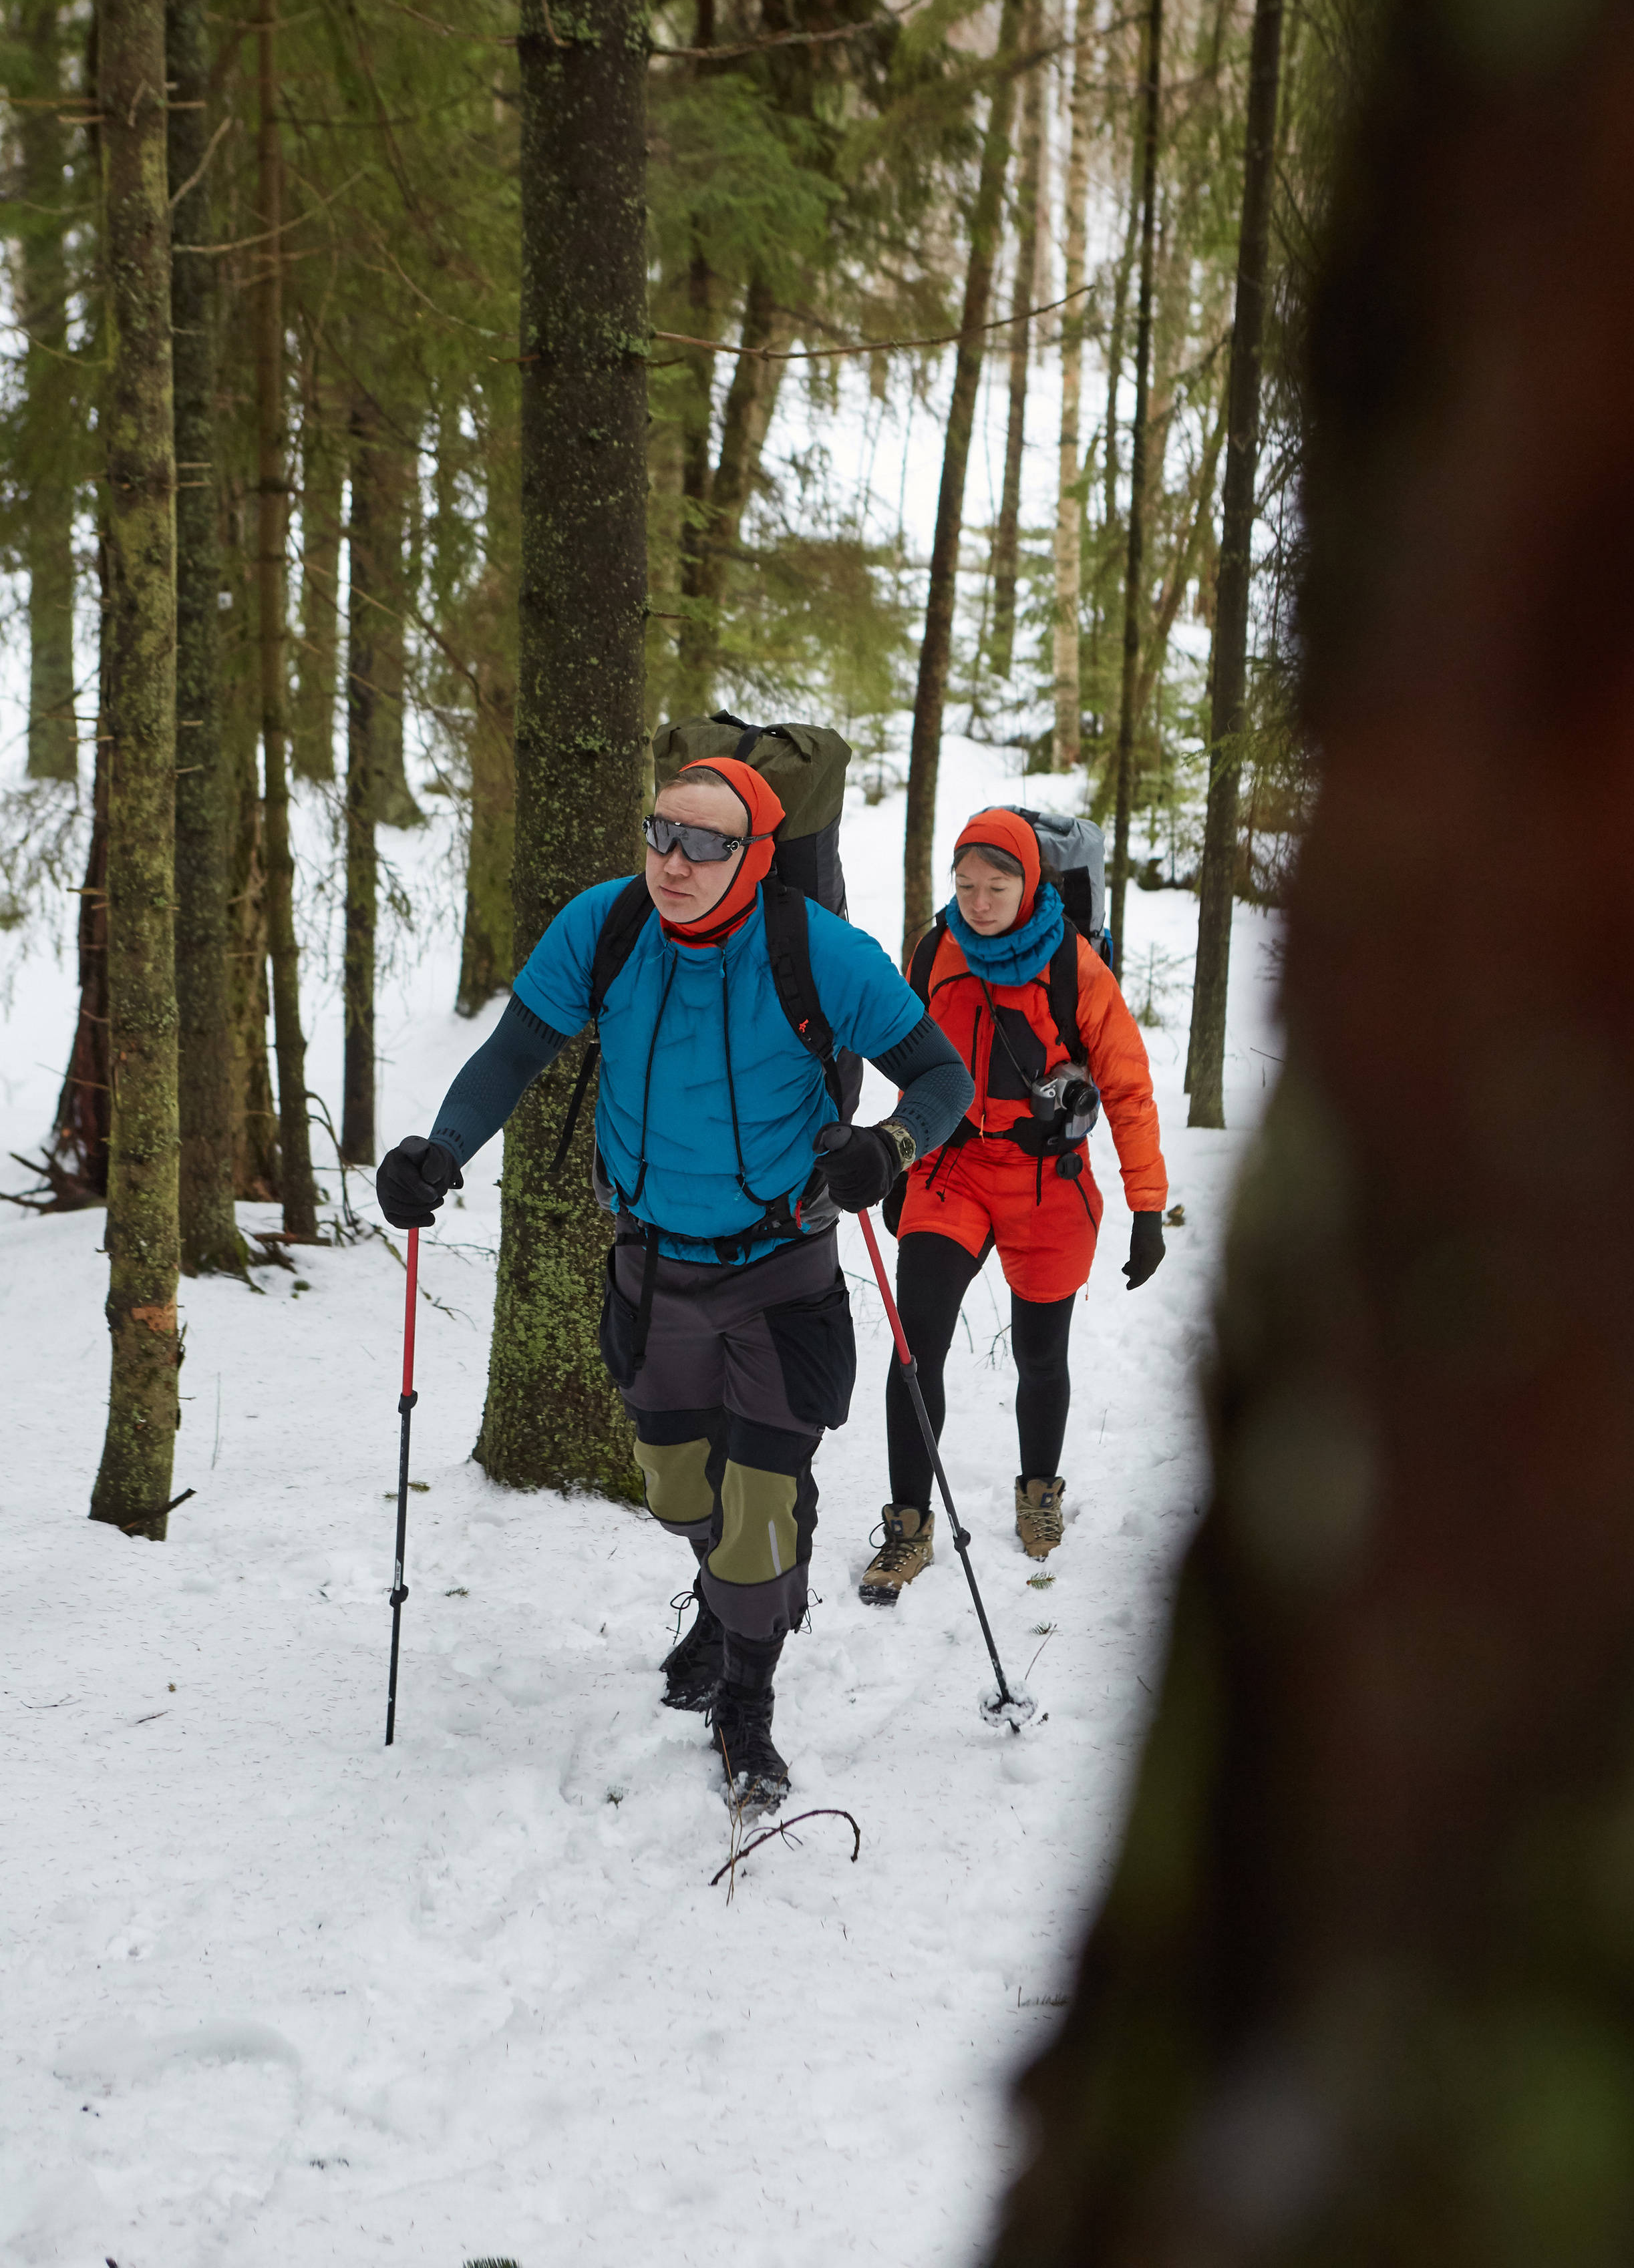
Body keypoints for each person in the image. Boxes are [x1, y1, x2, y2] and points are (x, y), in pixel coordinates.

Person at [375, 756, 971, 1815]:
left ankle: (748, 1704)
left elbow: (942, 1076)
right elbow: (516, 1050)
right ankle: (742, 1586)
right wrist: (443, 1150)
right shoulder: (604, 930)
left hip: (782, 1271)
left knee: (751, 1516)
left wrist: (890, 1146)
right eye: (661, 834)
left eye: (706, 844)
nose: (675, 862)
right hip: (653, 1263)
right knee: (676, 1488)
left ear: (756, 857)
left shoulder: (817, 952)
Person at [858, 807, 1167, 1605]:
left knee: (1039, 1354)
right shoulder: (935, 950)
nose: (979, 902)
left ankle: (1038, 1491)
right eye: (964, 885)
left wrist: (1146, 1206)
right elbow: (909, 1054)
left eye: (997, 886)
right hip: (952, 1167)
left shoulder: (1074, 969)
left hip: (1044, 1182)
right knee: (913, 1346)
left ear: (1031, 886)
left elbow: (1128, 1087)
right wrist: (896, 1152)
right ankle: (908, 1524)